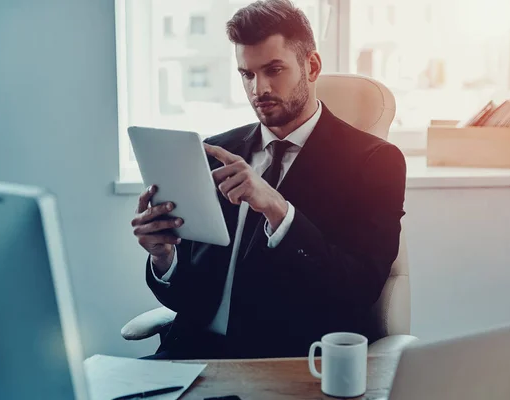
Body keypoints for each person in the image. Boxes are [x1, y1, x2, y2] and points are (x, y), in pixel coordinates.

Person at [131, 0, 406, 359]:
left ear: (312, 66)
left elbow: (355, 291)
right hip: (190, 357)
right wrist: (164, 257)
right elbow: (189, 297)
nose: (259, 89)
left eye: (274, 69)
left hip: (285, 364)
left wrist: (278, 209)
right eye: (247, 74)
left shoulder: (375, 162)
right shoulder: (215, 151)